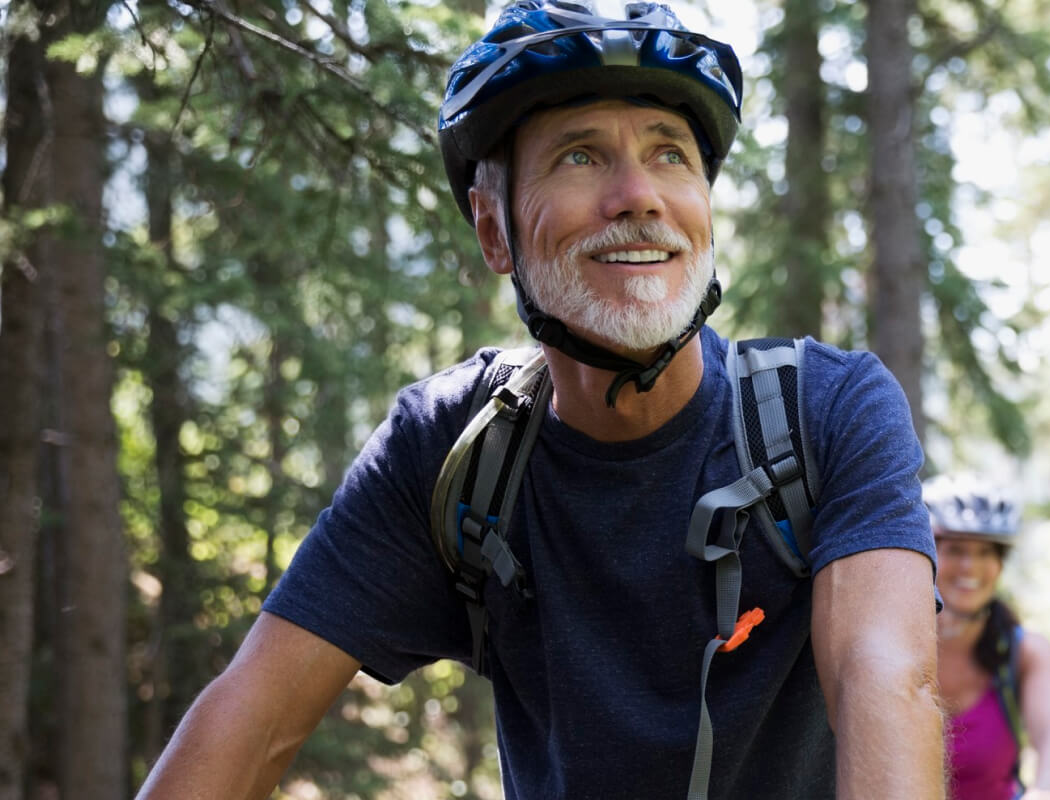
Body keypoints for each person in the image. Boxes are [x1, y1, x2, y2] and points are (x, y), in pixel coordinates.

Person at [138, 2, 942, 798]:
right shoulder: (451, 451)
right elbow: (253, 717)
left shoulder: (828, 414)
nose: (638, 195)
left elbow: (887, 682)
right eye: (580, 157)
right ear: (494, 232)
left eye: (669, 155)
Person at [925, 475, 1050, 800]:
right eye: (955, 549)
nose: (970, 566)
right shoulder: (889, 647)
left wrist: (1047, 789)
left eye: (985, 552)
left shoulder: (1026, 652)